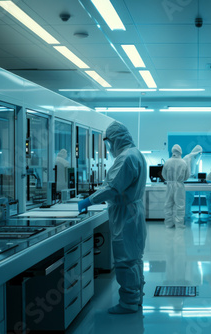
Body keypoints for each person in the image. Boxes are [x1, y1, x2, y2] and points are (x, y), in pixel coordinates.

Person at [77, 121, 147, 314]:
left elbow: (112, 188)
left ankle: (128, 303)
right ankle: (136, 297)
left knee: (125, 260)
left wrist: (87, 201)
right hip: (133, 212)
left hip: (125, 215)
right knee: (134, 258)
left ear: (115, 139)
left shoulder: (125, 157)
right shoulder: (136, 153)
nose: (109, 147)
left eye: (109, 141)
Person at [162, 144, 189, 228]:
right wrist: (179, 181)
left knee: (168, 204)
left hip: (169, 185)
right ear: (180, 152)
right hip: (179, 185)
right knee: (180, 205)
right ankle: (179, 224)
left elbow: (164, 174)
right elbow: (187, 176)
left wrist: (170, 180)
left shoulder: (167, 162)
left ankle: (168, 223)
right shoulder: (183, 162)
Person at [182, 145, 203, 219]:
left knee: (190, 198)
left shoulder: (193, 158)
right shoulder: (188, 158)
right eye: (199, 153)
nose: (200, 155)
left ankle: (188, 212)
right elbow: (187, 172)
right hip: (186, 181)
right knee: (188, 198)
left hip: (190, 181)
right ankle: (186, 214)